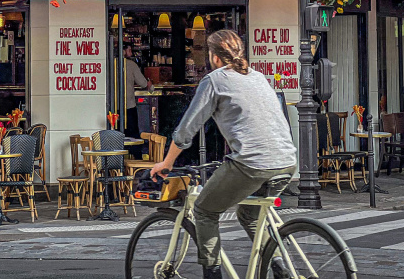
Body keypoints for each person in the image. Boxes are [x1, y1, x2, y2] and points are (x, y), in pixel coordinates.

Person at [151, 30, 297, 279]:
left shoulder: (214, 80)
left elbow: (187, 128)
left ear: (215, 57)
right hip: (286, 162)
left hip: (251, 164)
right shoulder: (258, 77)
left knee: (204, 210)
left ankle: (212, 274)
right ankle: (279, 267)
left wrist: (167, 162)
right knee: (249, 215)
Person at [124, 45, 153, 143]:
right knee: (133, 136)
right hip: (129, 105)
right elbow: (143, 83)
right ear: (124, 51)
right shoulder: (131, 65)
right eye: (129, 50)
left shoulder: (111, 63)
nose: (131, 53)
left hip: (114, 106)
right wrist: (149, 84)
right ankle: (134, 152)